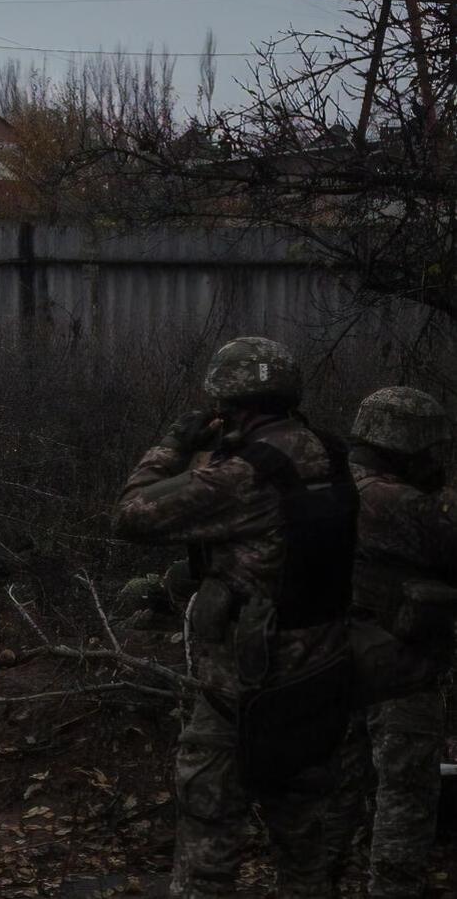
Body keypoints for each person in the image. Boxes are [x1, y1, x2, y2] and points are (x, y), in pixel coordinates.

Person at [113, 336, 359, 898]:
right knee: (304, 848)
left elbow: (132, 516)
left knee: (208, 836)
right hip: (321, 680)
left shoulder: (247, 472)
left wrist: (173, 446)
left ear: (231, 404)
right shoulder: (332, 452)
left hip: (245, 692)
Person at [325, 386, 457, 898]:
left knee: (336, 790)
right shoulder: (396, 501)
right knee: (405, 793)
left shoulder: (325, 485)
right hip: (398, 667)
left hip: (327, 660)